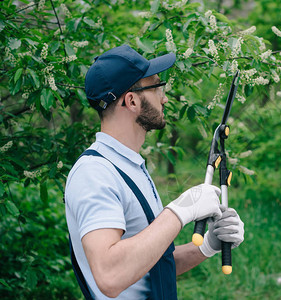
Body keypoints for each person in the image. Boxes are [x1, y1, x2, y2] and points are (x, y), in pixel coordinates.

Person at [65, 44, 245, 299]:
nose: (164, 97)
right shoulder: (94, 173)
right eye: (156, 87)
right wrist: (179, 212)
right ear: (132, 100)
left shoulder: (131, 167)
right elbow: (110, 275)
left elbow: (150, 266)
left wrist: (208, 245)